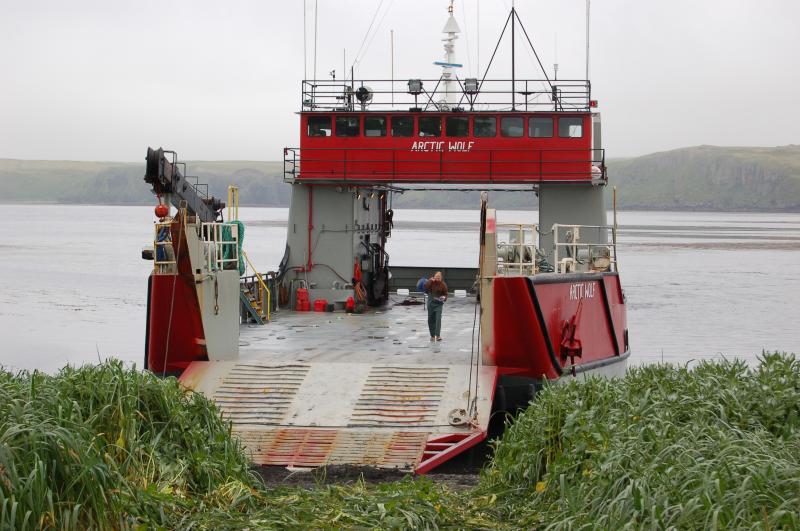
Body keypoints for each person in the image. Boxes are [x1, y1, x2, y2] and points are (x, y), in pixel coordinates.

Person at [424, 271, 448, 342]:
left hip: (439, 304)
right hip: (431, 303)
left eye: (439, 278)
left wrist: (444, 298)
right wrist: (430, 280)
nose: (437, 279)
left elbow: (446, 294)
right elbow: (425, 287)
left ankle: (438, 335)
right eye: (436, 277)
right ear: (434, 277)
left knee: (438, 319)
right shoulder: (430, 282)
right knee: (430, 319)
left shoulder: (443, 284)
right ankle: (432, 335)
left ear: (441, 278)